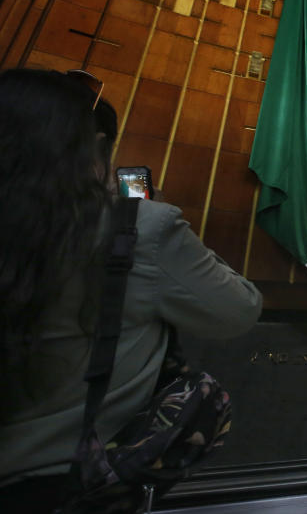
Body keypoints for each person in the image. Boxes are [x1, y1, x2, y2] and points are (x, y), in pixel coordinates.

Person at [0, 69, 263, 510]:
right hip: (65, 482)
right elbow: (238, 309)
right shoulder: (137, 228)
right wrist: (150, 216)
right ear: (94, 149)